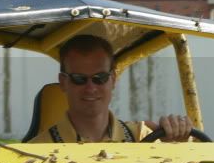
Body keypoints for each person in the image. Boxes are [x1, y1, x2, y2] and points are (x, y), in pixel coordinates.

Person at [31, 35, 194, 143]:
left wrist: (178, 141)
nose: (90, 88)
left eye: (99, 78)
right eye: (79, 79)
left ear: (113, 79)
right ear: (63, 82)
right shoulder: (35, 150)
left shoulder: (143, 137)